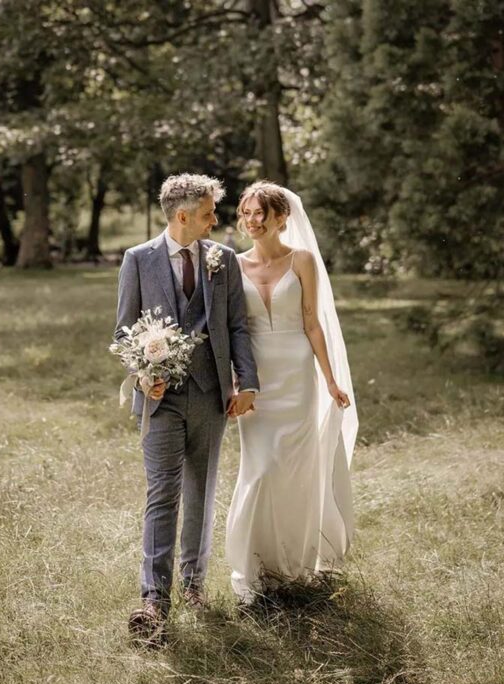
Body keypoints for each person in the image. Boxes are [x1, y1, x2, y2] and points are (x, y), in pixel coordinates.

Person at [115, 174, 259, 641]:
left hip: (212, 395)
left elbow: (237, 326)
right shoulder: (138, 260)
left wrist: (247, 383)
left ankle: (194, 585)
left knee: (202, 489)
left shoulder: (224, 261)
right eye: (209, 213)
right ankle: (154, 599)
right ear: (183, 216)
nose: (217, 221)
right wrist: (143, 375)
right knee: (163, 494)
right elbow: (124, 332)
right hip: (162, 401)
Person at [225, 181, 358, 602]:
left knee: (295, 470)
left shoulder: (302, 260)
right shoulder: (232, 264)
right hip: (256, 380)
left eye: (259, 213)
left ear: (282, 218)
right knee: (261, 469)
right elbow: (231, 329)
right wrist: (235, 379)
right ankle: (252, 566)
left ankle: (294, 565)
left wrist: (331, 380)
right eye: (245, 213)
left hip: (298, 374)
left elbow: (311, 322)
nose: (250, 221)